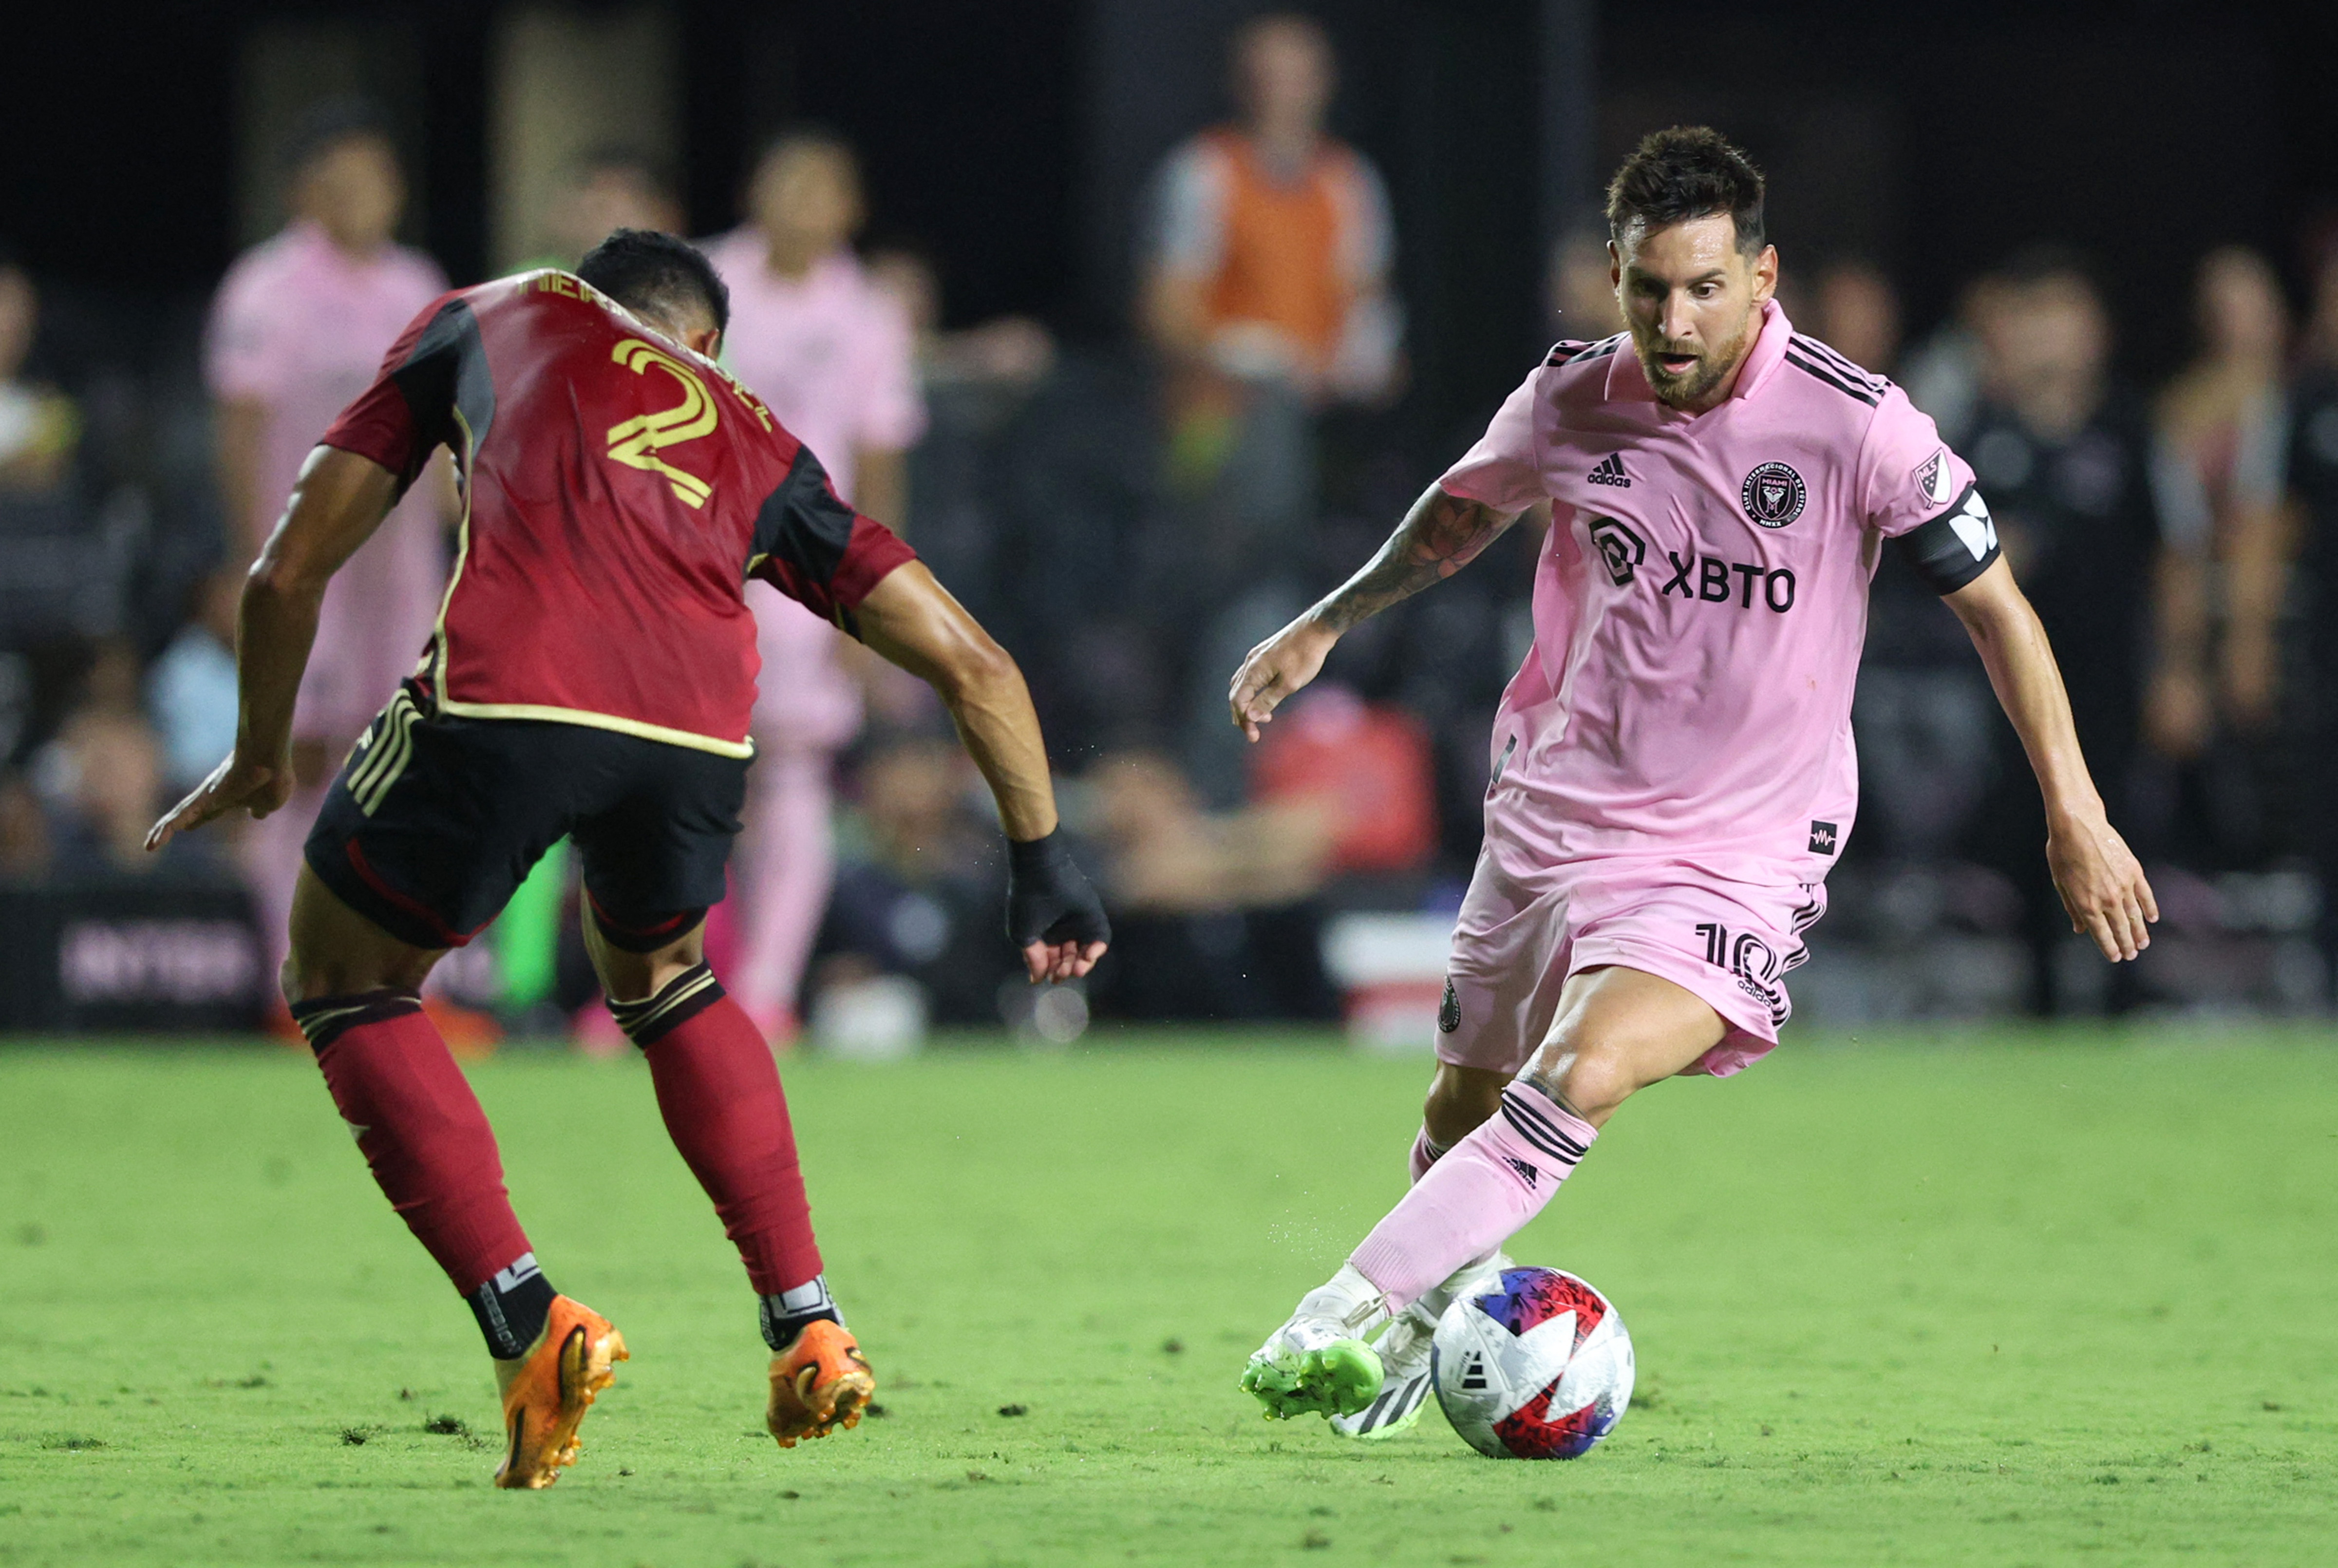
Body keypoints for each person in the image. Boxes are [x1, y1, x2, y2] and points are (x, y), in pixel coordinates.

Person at [1226, 128, 2157, 1437]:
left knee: (1589, 1066)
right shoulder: (1569, 400)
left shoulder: (1858, 423)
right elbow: (1459, 511)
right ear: (1615, 278)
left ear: (1764, 276)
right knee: (1463, 1098)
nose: (1675, 321)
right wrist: (1329, 620)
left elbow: (1999, 608)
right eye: (1649, 290)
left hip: (1739, 848)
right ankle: (1454, 1316)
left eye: (1705, 288)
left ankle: (1349, 1306)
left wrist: (2077, 807)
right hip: (1554, 813)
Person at [146, 231, 1109, 1487]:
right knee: (667, 979)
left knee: (344, 975)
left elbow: (284, 571)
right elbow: (975, 661)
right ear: (703, 344)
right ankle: (808, 1320)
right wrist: (1043, 855)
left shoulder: (485, 317)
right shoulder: (760, 438)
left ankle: (526, 1318)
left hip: (509, 699)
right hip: (696, 737)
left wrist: (261, 753)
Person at [205, 100, 454, 998]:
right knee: (293, 764)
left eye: (378, 180)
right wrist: (253, 563)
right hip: (308, 564)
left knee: (399, 761)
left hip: (398, 569)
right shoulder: (264, 290)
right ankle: (296, 978)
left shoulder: (416, 285)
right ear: (304, 191)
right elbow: (240, 430)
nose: (364, 198)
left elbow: (446, 429)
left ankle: (395, 977)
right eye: (342, 181)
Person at [703, 131, 926, 1042]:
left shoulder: (869, 314)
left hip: (803, 567)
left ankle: (764, 993)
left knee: (791, 771)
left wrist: (868, 593)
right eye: (786, 182)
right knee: (674, 770)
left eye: (821, 187)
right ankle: (661, 989)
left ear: (850, 209)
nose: (802, 202)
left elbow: (881, 458)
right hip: (698, 555)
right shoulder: (704, 285)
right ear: (756, 191)